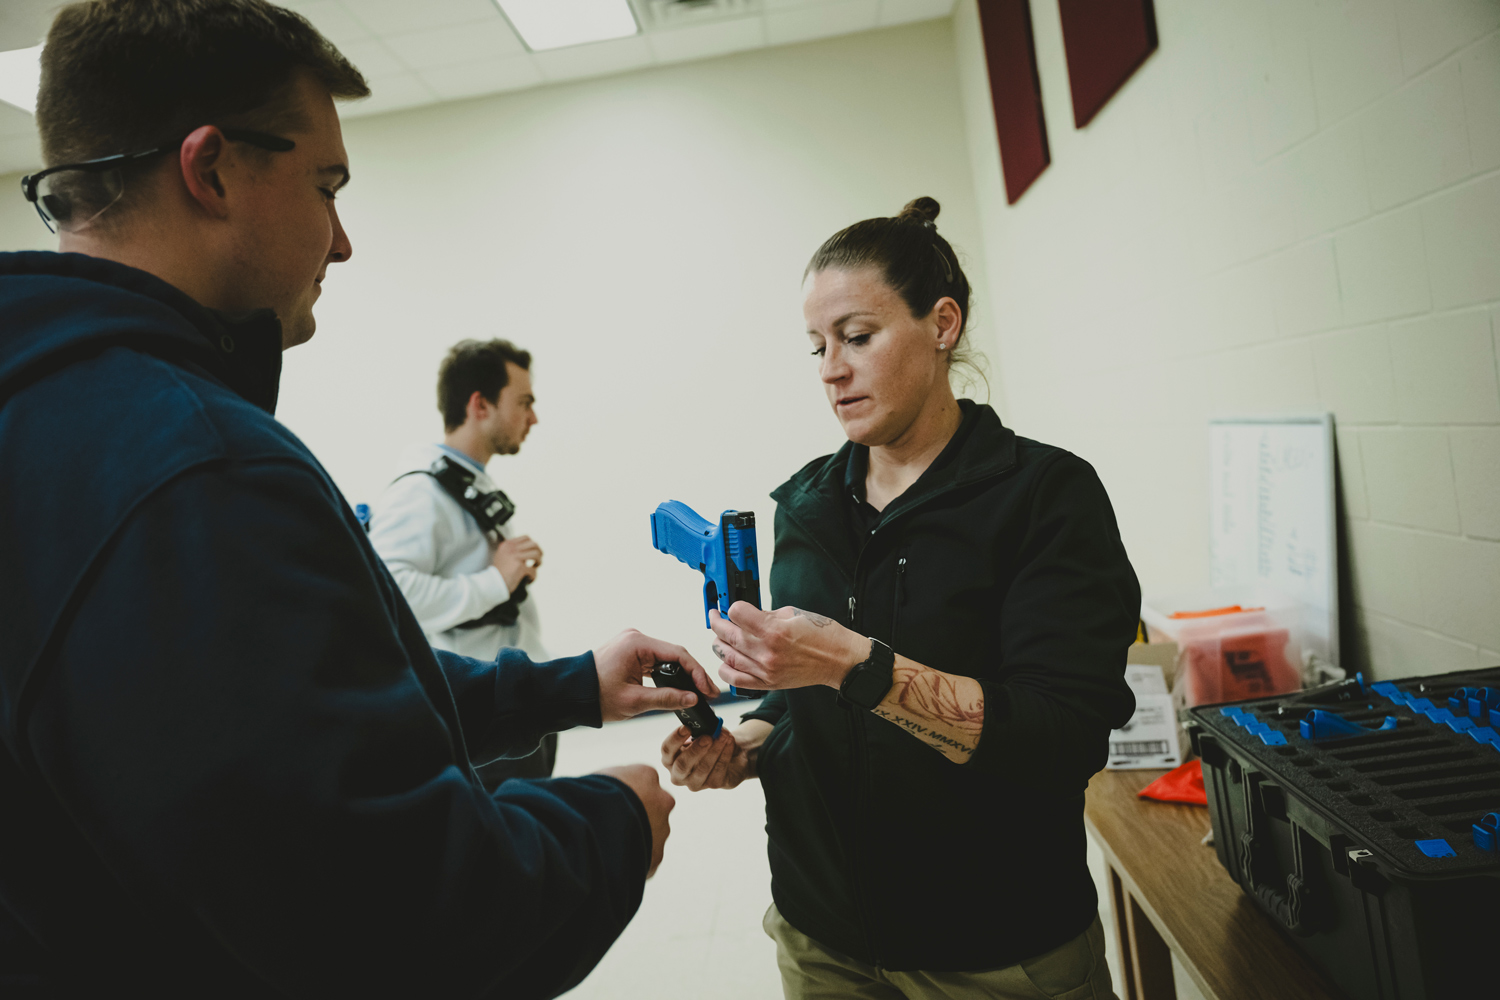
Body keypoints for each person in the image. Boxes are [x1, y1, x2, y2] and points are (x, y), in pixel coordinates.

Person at [0, 2, 712, 996]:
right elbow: (406, 918)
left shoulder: (42, 410)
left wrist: (565, 687)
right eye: (326, 186)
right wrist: (612, 820)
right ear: (209, 170)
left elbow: (294, 698)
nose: (342, 243)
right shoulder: (204, 472)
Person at [662, 198, 1140, 999]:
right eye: (816, 347)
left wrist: (857, 665)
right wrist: (747, 743)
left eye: (857, 337)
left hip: (996, 950)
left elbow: (1062, 735)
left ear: (942, 324)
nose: (830, 369)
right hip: (822, 937)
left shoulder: (1044, 497)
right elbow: (804, 693)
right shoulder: (808, 508)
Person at [369, 338, 558, 787]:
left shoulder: (467, 484)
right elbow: (389, 596)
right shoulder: (419, 493)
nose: (533, 417)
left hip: (517, 705)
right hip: (484, 720)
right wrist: (494, 582)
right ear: (480, 404)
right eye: (524, 402)